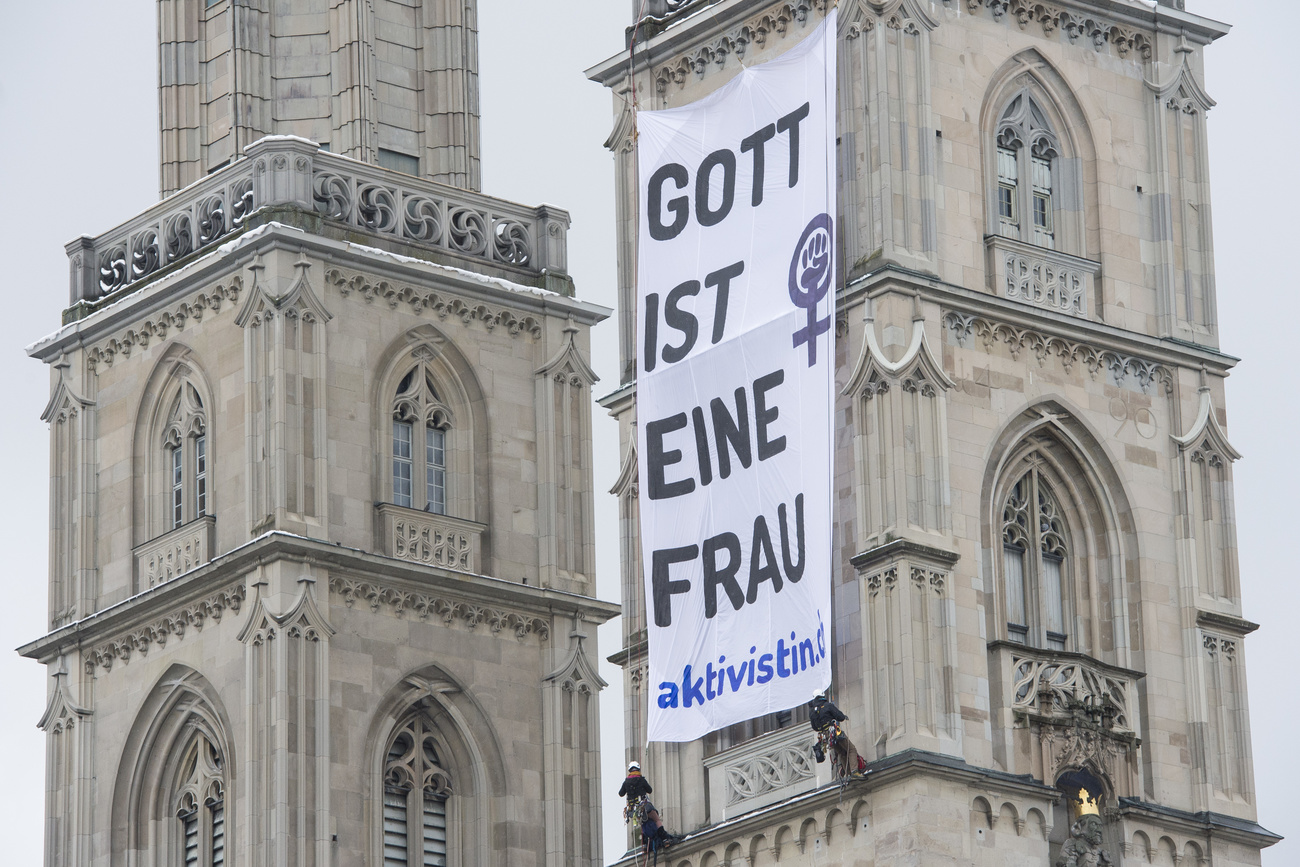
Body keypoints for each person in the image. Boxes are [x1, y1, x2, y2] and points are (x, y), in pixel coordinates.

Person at [618, 762, 684, 852]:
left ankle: (645, 844)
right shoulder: (641, 779)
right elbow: (650, 790)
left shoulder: (626, 782)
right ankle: (665, 839)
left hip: (634, 810)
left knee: (642, 824)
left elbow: (621, 793)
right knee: (656, 820)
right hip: (644, 806)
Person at [809, 692, 866, 778]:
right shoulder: (827, 705)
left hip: (826, 737)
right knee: (851, 749)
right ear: (822, 696)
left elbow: (815, 727)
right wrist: (842, 717)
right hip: (834, 733)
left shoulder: (812, 712)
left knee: (842, 752)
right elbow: (840, 717)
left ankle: (848, 774)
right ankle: (854, 771)